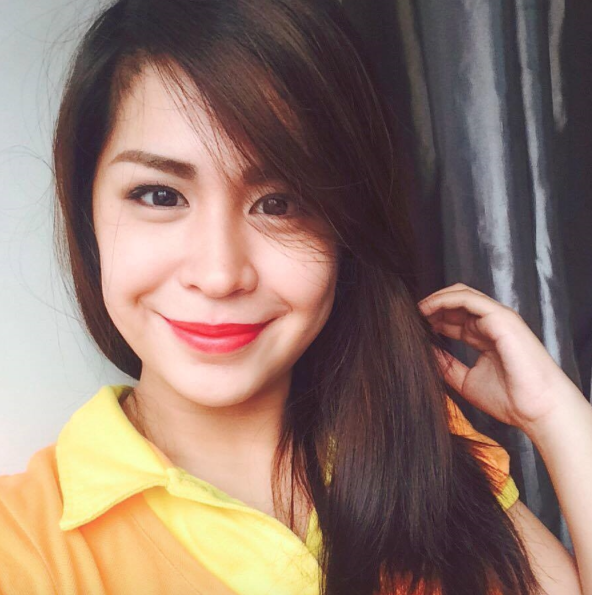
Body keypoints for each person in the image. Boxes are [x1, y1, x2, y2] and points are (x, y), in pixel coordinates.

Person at [0, 0, 589, 593]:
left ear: (344, 231)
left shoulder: (415, 441)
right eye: (160, 196)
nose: (220, 274)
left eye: (278, 204)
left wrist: (554, 414)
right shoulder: (23, 544)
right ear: (87, 214)